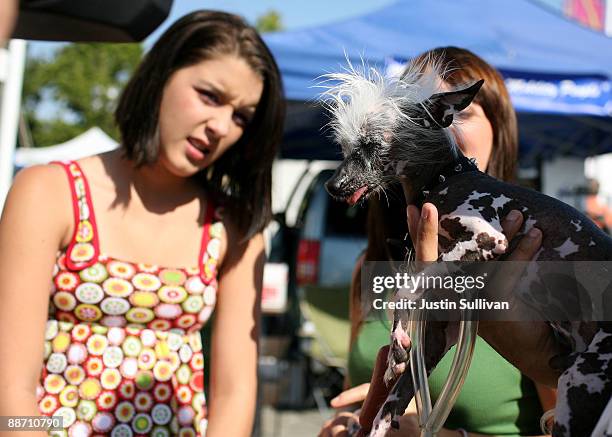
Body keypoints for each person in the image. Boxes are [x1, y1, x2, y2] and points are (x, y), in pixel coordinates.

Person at [0, 10, 284, 437]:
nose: (222, 126)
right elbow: (9, 392)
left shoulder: (235, 226)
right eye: (209, 95)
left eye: (241, 116)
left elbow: (235, 395)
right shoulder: (48, 191)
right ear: (161, 76)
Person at [319, 47, 557, 437]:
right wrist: (346, 425)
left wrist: (433, 430)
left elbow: (582, 422)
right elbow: (356, 394)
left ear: (500, 132)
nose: (436, 128)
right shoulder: (374, 265)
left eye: (457, 112)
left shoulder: (542, 260)